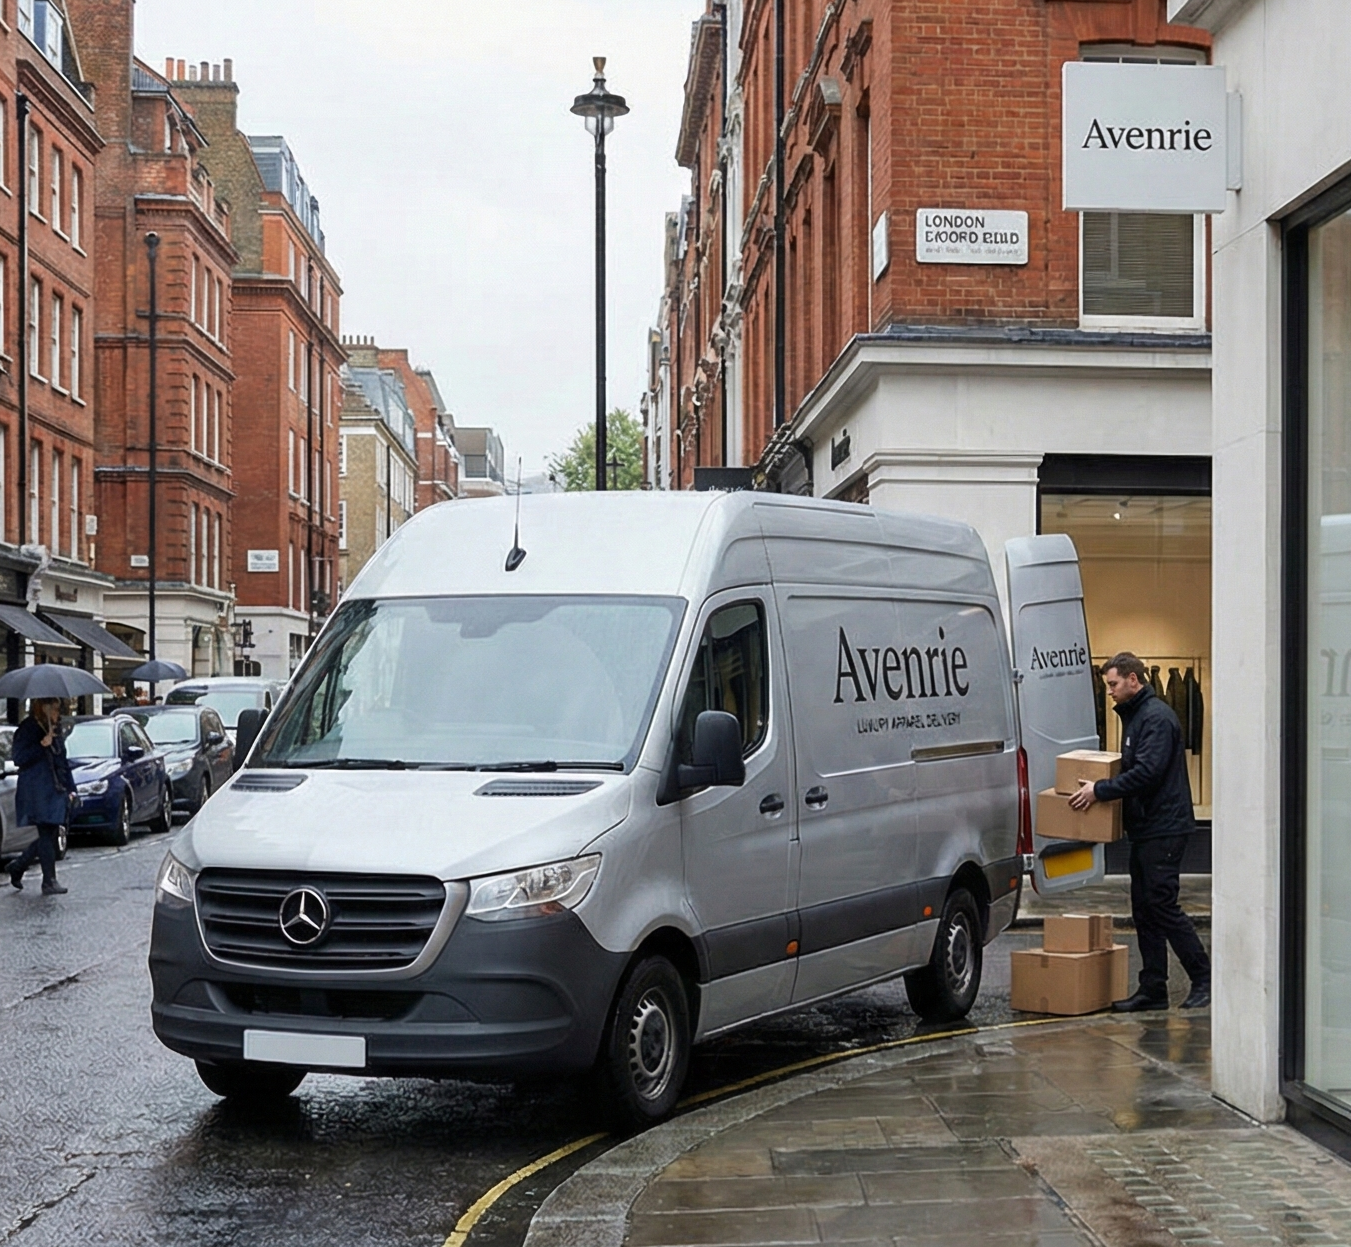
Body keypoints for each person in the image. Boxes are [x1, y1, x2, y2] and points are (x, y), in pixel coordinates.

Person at [1068, 651, 1210, 1011]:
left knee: (1161, 905)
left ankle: (1204, 978)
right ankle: (1153, 988)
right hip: (1148, 828)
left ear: (1134, 680)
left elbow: (1148, 772)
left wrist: (1098, 791)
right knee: (1144, 908)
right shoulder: (1139, 717)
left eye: (1113, 684)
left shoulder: (1156, 718)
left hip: (1163, 827)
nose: (1110, 692)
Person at [6, 698, 77, 896]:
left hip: (55, 787)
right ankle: (49, 881)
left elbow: (62, 760)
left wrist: (72, 788)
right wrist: (41, 745)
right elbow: (19, 758)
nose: (58, 713)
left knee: (51, 832)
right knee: (47, 831)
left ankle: (18, 866)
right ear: (42, 708)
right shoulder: (28, 729)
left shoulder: (55, 729)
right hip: (36, 788)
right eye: (54, 709)